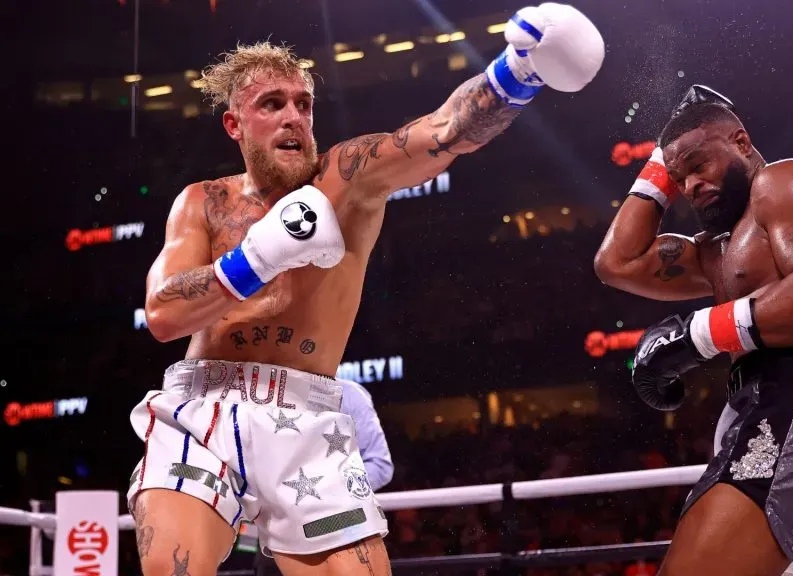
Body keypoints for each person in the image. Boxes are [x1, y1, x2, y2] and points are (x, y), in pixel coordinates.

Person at [127, 5, 604, 575]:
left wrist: (515, 73)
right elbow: (163, 314)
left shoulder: (345, 178)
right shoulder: (204, 201)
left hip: (304, 417)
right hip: (202, 406)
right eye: (272, 104)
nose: (293, 118)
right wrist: (259, 257)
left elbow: (442, 131)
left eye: (303, 104)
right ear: (235, 125)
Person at [593, 85, 793, 576]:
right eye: (680, 179)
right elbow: (616, 263)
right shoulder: (712, 250)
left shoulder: (783, 182)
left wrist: (698, 335)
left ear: (740, 142)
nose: (690, 185)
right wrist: (662, 158)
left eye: (699, 165)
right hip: (781, 414)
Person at [254, 377, 393, 575]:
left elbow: (380, 464)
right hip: (275, 528)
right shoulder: (265, 391)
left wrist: (326, 488)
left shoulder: (349, 394)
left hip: (342, 525)